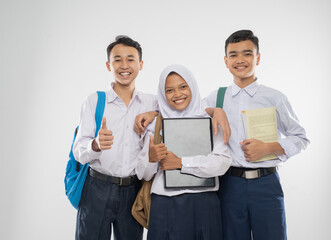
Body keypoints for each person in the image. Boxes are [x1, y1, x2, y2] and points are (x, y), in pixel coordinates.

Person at [204, 30, 310, 240]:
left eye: (247, 54)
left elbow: (301, 137)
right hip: (229, 185)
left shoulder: (274, 97)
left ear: (258, 58)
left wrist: (270, 148)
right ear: (225, 61)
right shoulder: (216, 97)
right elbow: (188, 115)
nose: (240, 60)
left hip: (266, 184)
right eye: (233, 55)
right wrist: (213, 110)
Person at [73, 35, 158, 240]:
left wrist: (153, 114)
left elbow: (183, 108)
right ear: (108, 65)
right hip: (96, 189)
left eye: (130, 59)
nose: (124, 65)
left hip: (132, 191)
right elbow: (78, 151)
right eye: (117, 59)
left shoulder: (151, 102)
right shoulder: (95, 100)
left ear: (141, 64)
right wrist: (95, 144)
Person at [142, 64, 232, 240]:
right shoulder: (154, 125)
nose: (177, 94)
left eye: (183, 86)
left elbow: (222, 163)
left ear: (192, 86)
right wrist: (151, 160)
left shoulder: (210, 120)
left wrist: (181, 163)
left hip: (204, 203)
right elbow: (144, 175)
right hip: (165, 204)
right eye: (169, 90)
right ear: (162, 93)